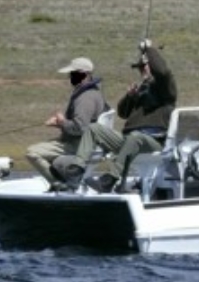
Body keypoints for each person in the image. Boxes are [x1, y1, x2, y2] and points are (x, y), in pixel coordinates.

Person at [52, 39, 177, 192]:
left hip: (154, 141)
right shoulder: (141, 89)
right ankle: (76, 171)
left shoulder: (165, 88)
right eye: (139, 68)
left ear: (153, 66)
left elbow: (163, 71)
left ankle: (110, 179)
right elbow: (122, 113)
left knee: (135, 137)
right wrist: (130, 97)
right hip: (129, 141)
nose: (142, 70)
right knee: (93, 128)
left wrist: (148, 49)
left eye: (145, 67)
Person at [25, 56, 108, 187]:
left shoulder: (85, 98)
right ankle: (66, 178)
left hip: (78, 145)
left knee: (32, 152)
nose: (70, 77)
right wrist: (59, 124)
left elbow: (79, 128)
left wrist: (62, 122)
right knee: (46, 151)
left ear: (84, 74)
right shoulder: (93, 93)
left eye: (73, 74)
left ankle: (58, 184)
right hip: (85, 143)